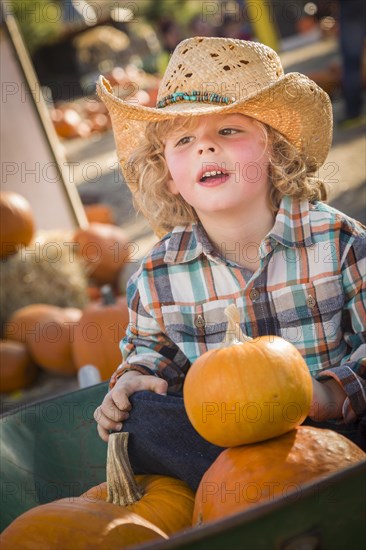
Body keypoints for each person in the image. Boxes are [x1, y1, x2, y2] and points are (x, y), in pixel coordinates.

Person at [95, 37, 366, 491]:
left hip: (332, 438)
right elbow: (153, 353)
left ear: (274, 151)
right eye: (185, 140)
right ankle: (241, 497)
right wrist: (134, 380)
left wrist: (328, 393)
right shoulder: (159, 274)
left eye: (228, 131)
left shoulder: (338, 241)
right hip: (224, 455)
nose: (206, 148)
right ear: (169, 174)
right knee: (138, 420)